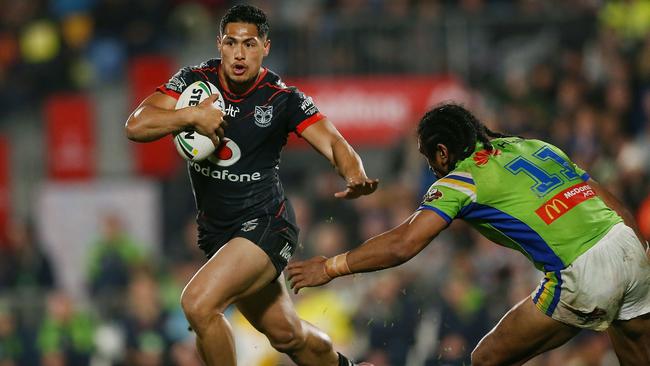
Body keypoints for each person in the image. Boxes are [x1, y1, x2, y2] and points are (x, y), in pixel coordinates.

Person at [287, 103, 650, 366]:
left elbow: (403, 244)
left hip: (584, 270)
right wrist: (639, 251)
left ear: (442, 152)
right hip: (628, 246)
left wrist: (332, 267)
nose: (430, 168)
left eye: (428, 158)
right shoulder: (535, 147)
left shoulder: (460, 180)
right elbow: (607, 200)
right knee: (634, 348)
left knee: (486, 358)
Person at [125, 4, 377, 366]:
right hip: (219, 234)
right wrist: (192, 115)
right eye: (230, 43)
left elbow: (334, 142)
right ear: (219, 44)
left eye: (249, 44)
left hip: (266, 223)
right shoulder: (195, 83)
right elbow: (136, 125)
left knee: (198, 303)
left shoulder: (282, 98)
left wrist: (355, 173)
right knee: (286, 334)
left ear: (265, 47)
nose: (239, 53)